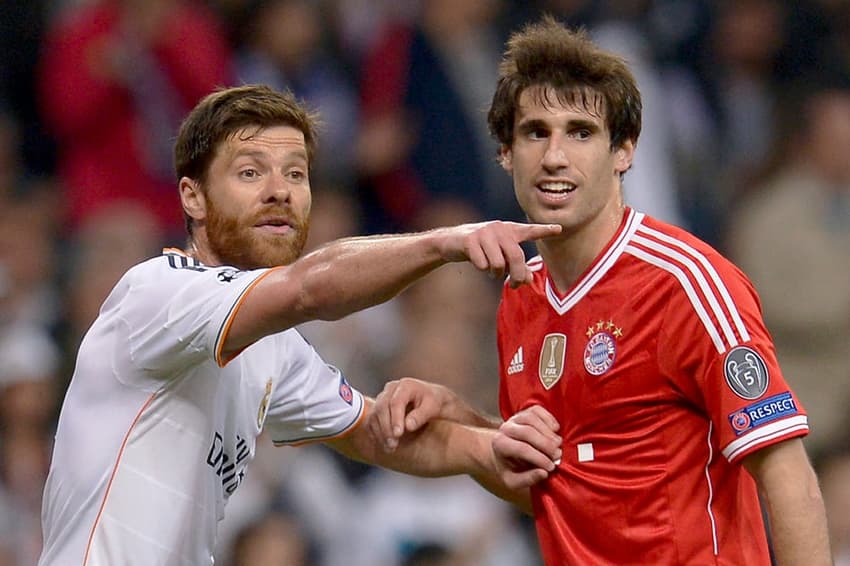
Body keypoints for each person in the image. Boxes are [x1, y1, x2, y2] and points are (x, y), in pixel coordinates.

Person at [370, 17, 833, 565]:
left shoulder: (687, 283)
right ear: (504, 152)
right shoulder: (521, 295)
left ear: (624, 151)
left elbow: (787, 475)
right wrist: (462, 422)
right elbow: (569, 484)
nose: (555, 157)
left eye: (581, 132)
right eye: (535, 132)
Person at [36, 83, 562, 565]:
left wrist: (488, 444)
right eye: (250, 172)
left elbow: (379, 437)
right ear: (192, 196)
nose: (280, 190)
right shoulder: (157, 292)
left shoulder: (276, 348)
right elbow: (309, 288)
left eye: (295, 173)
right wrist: (444, 243)